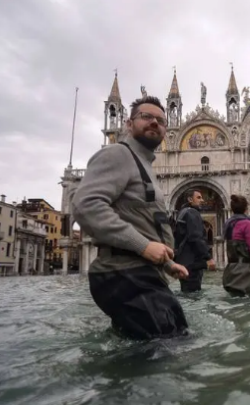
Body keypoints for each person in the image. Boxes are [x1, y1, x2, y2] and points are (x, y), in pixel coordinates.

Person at [71, 96, 190, 340]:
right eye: (146, 117)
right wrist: (144, 246)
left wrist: (167, 264)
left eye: (160, 120)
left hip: (141, 274)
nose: (154, 123)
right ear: (128, 123)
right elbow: (85, 205)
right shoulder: (118, 154)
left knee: (171, 341)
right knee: (164, 353)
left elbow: (145, 223)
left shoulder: (144, 165)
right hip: (125, 275)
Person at [173, 189, 216, 293]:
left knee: (186, 292)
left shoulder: (182, 212)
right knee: (193, 295)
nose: (202, 200)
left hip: (183, 263)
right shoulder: (192, 213)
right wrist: (208, 258)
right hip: (192, 264)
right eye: (199, 197)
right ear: (190, 199)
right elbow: (195, 237)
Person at [221, 195, 250, 297]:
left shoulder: (228, 223)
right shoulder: (247, 223)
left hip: (230, 272)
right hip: (244, 274)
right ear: (246, 209)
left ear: (232, 210)